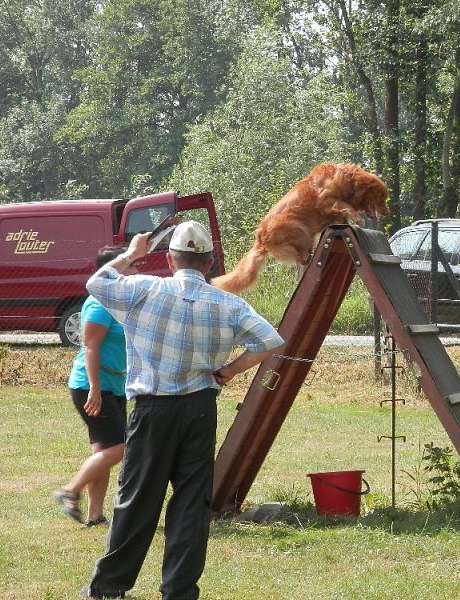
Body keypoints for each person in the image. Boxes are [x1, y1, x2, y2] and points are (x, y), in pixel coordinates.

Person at [81, 221, 284, 600]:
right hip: (200, 409)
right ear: (208, 263)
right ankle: (179, 591)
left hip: (152, 409)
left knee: (138, 497)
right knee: (192, 503)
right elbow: (270, 340)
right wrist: (229, 371)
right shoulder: (228, 302)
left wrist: (132, 254)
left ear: (171, 261)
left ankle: (109, 587)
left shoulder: (144, 289)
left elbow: (97, 284)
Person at [53, 246, 132, 527]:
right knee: (123, 447)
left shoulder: (118, 301)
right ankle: (69, 491)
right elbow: (90, 346)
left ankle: (95, 516)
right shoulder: (100, 303)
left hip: (112, 385)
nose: (134, 269)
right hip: (92, 386)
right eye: (130, 264)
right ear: (113, 270)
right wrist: (95, 390)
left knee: (104, 450)